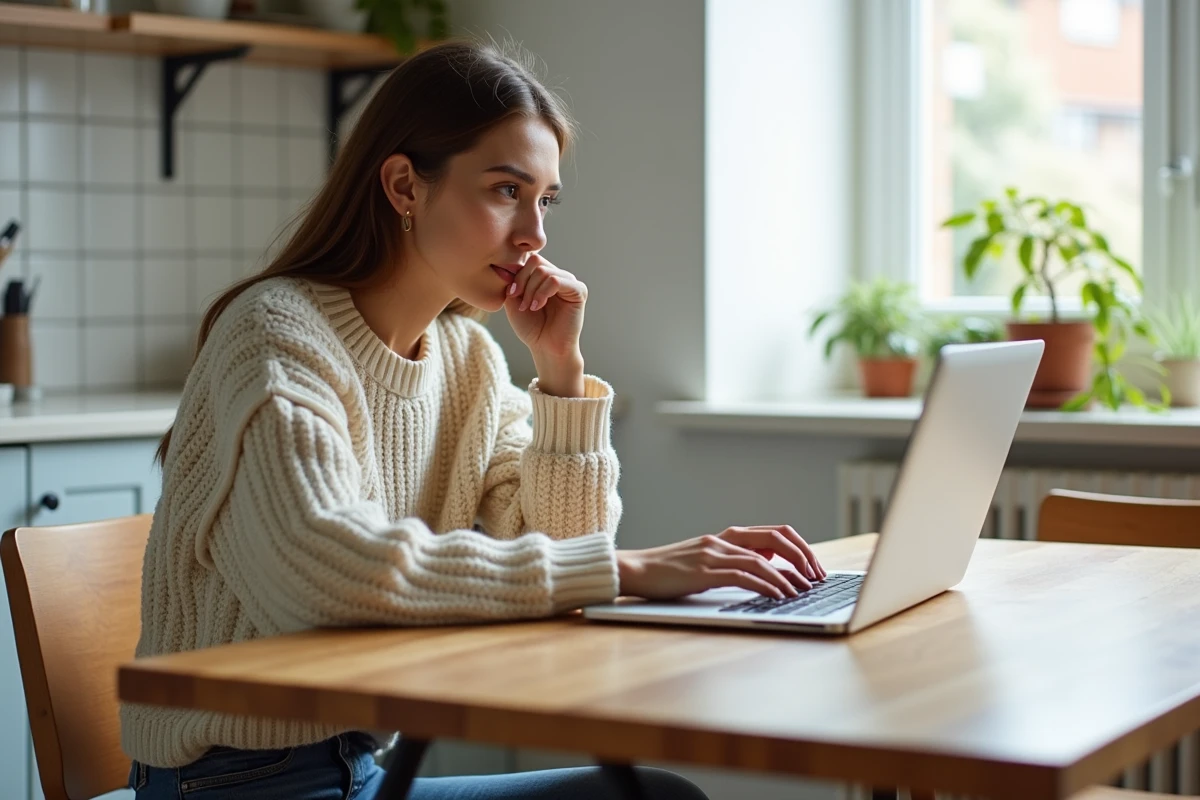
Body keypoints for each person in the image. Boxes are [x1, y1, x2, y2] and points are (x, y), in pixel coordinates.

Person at [120, 37, 826, 800]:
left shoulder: (469, 359)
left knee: (655, 797)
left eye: (545, 199)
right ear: (403, 186)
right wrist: (628, 571)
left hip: (360, 768)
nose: (535, 235)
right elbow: (322, 574)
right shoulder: (275, 334)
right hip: (235, 784)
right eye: (503, 191)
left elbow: (558, 560)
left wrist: (560, 376)